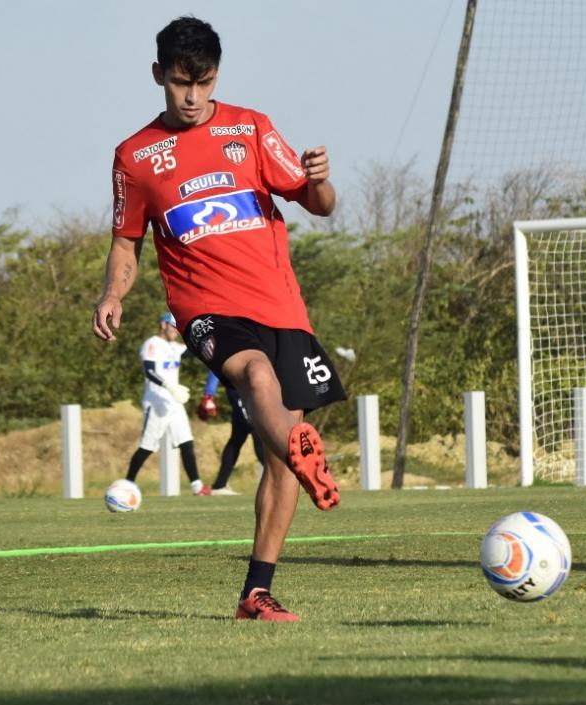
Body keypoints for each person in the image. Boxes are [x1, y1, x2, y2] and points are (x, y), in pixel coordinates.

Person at [92, 16, 346, 621]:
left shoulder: (250, 128)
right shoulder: (135, 157)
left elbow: (319, 205)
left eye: (204, 83)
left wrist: (320, 181)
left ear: (216, 76)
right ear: (159, 75)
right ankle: (302, 447)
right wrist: (112, 294)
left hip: (282, 307)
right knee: (255, 375)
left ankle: (256, 592)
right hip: (206, 309)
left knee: (277, 461)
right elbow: (126, 243)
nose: (192, 96)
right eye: (181, 83)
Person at [124, 312, 210, 496]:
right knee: (147, 447)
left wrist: (209, 336)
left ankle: (197, 486)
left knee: (186, 442)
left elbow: (195, 351)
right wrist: (169, 386)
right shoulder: (152, 344)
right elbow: (149, 371)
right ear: (163, 325)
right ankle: (127, 484)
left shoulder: (174, 347)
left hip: (174, 403)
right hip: (156, 403)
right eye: (173, 326)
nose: (176, 331)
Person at [196, 371, 265, 495]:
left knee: (237, 439)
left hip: (248, 390)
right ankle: (280, 478)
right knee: (258, 433)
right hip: (240, 391)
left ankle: (220, 484)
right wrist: (209, 394)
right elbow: (215, 367)